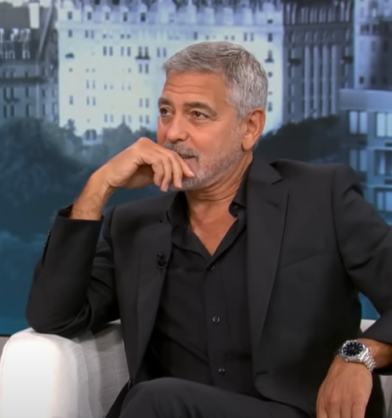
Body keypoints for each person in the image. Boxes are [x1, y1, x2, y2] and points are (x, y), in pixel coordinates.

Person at [26, 41, 392, 418]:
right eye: (166, 112)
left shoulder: (320, 198)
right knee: (157, 399)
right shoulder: (135, 227)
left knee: (156, 399)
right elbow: (55, 315)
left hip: (296, 412)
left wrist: (361, 353)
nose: (173, 132)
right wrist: (99, 186)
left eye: (198, 115)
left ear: (250, 127)